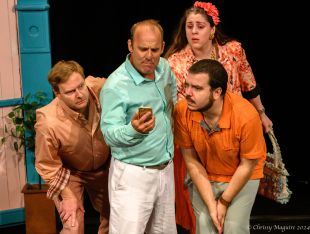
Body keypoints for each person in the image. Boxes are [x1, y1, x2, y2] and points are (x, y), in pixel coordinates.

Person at [164, 2, 272, 232]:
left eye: (200, 26)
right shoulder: (175, 62)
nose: (193, 31)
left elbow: (248, 83)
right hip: (199, 134)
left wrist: (260, 113)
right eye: (189, 26)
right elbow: (180, 105)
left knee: (232, 218)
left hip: (235, 127)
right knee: (202, 218)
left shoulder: (232, 51)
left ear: (212, 29)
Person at [100, 19, 177, 234]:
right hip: (133, 174)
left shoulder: (164, 68)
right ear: (130, 46)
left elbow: (173, 99)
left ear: (162, 48)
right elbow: (108, 134)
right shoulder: (116, 85)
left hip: (165, 169)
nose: (149, 56)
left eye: (154, 49)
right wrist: (133, 130)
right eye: (143, 49)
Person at [174, 59, 266, 234]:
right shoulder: (182, 111)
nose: (187, 93)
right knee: (205, 223)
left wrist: (223, 202)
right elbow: (191, 161)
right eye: (187, 85)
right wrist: (211, 205)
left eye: (197, 88)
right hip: (205, 174)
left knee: (233, 227)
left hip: (241, 174)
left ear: (217, 92)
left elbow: (247, 165)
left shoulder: (246, 116)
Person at [35, 60, 110, 234]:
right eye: (70, 91)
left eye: (80, 86)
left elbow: (123, 85)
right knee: (72, 224)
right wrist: (67, 196)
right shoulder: (48, 121)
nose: (79, 94)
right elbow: (47, 165)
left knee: (116, 217)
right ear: (57, 93)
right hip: (68, 173)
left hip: (103, 167)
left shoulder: (98, 87)